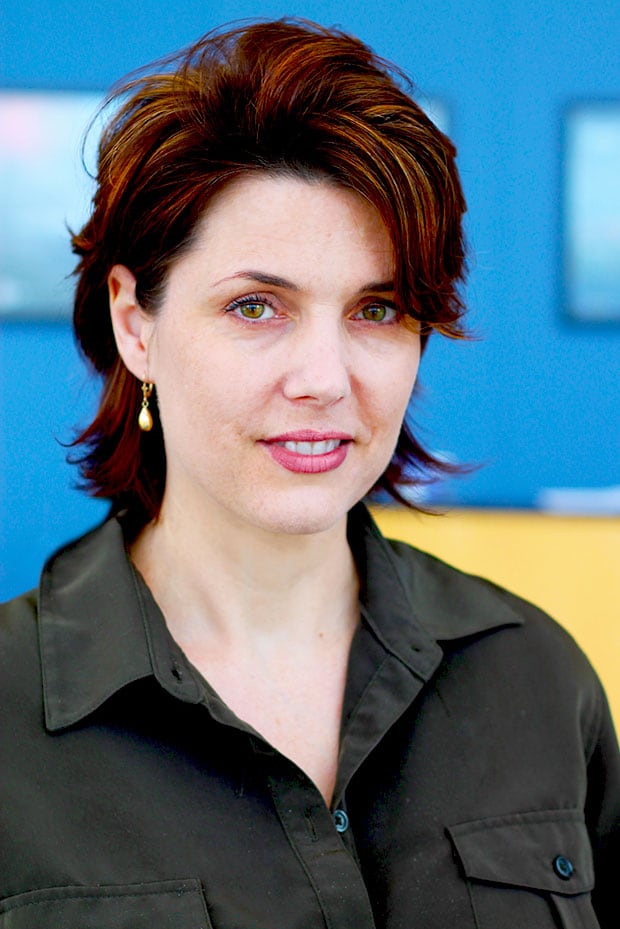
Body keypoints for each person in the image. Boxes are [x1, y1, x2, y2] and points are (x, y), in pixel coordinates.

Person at [0, 18, 617, 929]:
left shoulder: (533, 675)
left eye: (377, 309)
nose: (325, 379)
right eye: (256, 306)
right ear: (136, 324)